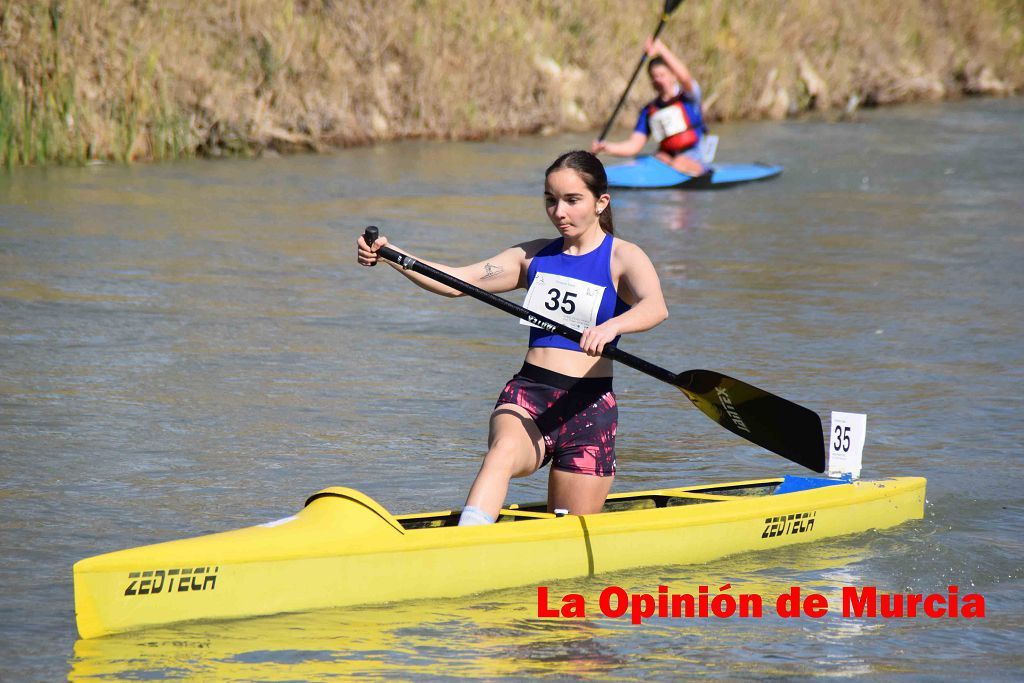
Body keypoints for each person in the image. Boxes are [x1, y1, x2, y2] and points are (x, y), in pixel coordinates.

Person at [357, 151, 668, 525]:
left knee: (567, 531)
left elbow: (655, 307)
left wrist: (612, 327)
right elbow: (460, 282)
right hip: (529, 397)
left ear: (601, 202)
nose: (559, 212)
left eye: (572, 200)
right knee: (502, 451)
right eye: (550, 200)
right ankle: (465, 546)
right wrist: (391, 255)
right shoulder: (532, 256)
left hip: (589, 411)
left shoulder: (623, 257)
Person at [591, 38, 710, 177]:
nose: (657, 80)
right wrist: (607, 148)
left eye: (661, 75)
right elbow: (634, 145)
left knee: (678, 163)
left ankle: (698, 171)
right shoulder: (649, 110)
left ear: (673, 76)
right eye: (653, 77)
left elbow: (685, 77)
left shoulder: (688, 98)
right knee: (647, 160)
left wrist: (661, 48)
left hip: (694, 155)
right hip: (665, 157)